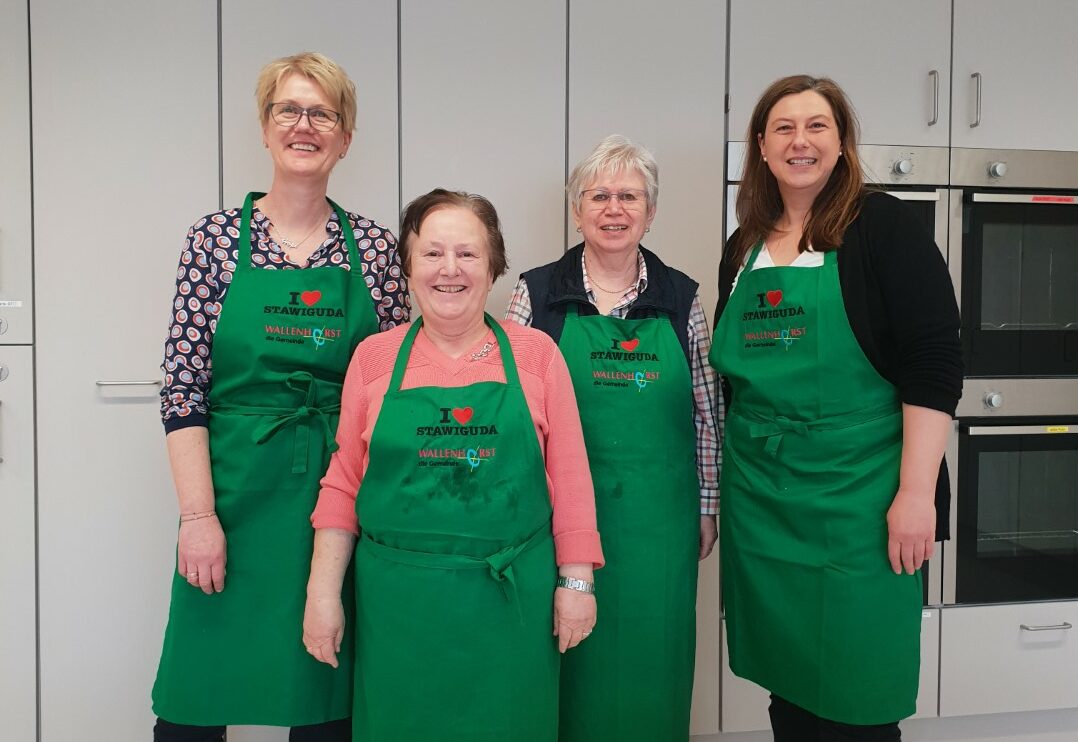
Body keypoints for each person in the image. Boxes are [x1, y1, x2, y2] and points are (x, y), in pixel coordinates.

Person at [151, 52, 408, 742]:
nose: (305, 125)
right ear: (264, 129)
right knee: (195, 695)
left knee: (322, 688)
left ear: (345, 137)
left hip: (333, 497)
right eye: (288, 110)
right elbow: (183, 388)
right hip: (232, 493)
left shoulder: (376, 250)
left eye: (322, 113)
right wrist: (197, 516)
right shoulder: (214, 241)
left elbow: (391, 388)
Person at [711, 75, 962, 741]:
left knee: (858, 692)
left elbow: (934, 365)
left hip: (862, 496)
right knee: (789, 685)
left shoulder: (882, 227)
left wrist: (916, 494)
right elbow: (735, 384)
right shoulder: (745, 246)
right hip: (764, 499)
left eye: (817, 126)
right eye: (784, 128)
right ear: (761, 146)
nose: (801, 141)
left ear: (842, 143)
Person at [303, 189, 603, 742]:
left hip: (510, 605)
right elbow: (343, 485)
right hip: (399, 609)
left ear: (493, 269)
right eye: (432, 253)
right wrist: (322, 597)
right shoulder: (374, 358)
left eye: (467, 254)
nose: (450, 270)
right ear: (408, 267)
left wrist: (577, 585)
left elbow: (572, 476)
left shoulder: (536, 354)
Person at [507, 134, 722, 742]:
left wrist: (707, 506)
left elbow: (706, 409)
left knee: (653, 657)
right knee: (566, 659)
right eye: (598, 195)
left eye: (629, 196)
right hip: (558, 516)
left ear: (650, 212)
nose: (613, 209)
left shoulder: (682, 297)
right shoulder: (538, 291)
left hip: (661, 522)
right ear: (577, 209)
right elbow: (515, 411)